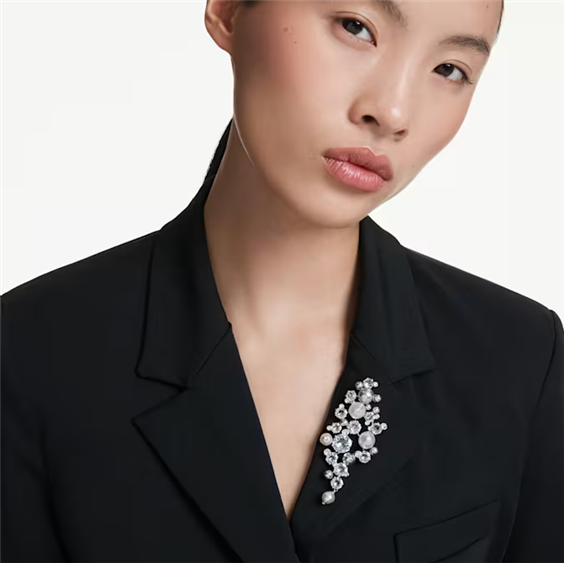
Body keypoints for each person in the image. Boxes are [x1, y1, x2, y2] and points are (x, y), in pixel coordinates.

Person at [1, 0, 562, 562]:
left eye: (450, 70)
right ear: (228, 11)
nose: (393, 111)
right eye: (356, 28)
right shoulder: (29, 354)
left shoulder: (521, 358)